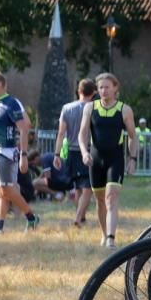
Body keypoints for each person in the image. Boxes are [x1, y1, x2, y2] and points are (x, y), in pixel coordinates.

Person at [79, 72, 139, 248]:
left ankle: (111, 239)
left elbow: (133, 137)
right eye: (100, 87)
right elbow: (82, 134)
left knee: (111, 197)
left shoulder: (124, 110)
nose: (103, 90)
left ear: (115, 88)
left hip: (115, 159)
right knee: (100, 200)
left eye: (107, 87)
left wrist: (132, 159)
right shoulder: (90, 108)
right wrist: (84, 152)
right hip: (95, 159)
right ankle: (104, 234)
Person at [0, 71, 40, 234]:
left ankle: (31, 217)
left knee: (7, 189)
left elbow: (24, 128)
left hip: (6, 152)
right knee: (0, 191)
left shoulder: (11, 103)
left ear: (1, 84)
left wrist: (23, 155)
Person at [53, 78, 96, 228]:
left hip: (71, 151)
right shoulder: (94, 108)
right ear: (94, 92)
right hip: (88, 151)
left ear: (78, 91)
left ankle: (81, 217)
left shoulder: (67, 108)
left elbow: (61, 133)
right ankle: (78, 218)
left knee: (78, 187)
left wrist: (57, 154)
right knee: (88, 188)